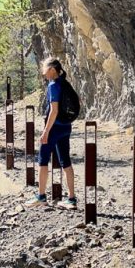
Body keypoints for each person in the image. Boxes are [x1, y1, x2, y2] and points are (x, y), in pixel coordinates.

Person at [28, 57, 77, 209]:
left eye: (44, 69)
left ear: (52, 69)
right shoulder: (65, 83)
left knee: (43, 160)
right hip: (66, 127)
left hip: (54, 128)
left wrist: (46, 132)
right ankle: (71, 199)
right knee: (66, 162)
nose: (43, 72)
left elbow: (53, 111)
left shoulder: (53, 85)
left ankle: (41, 197)